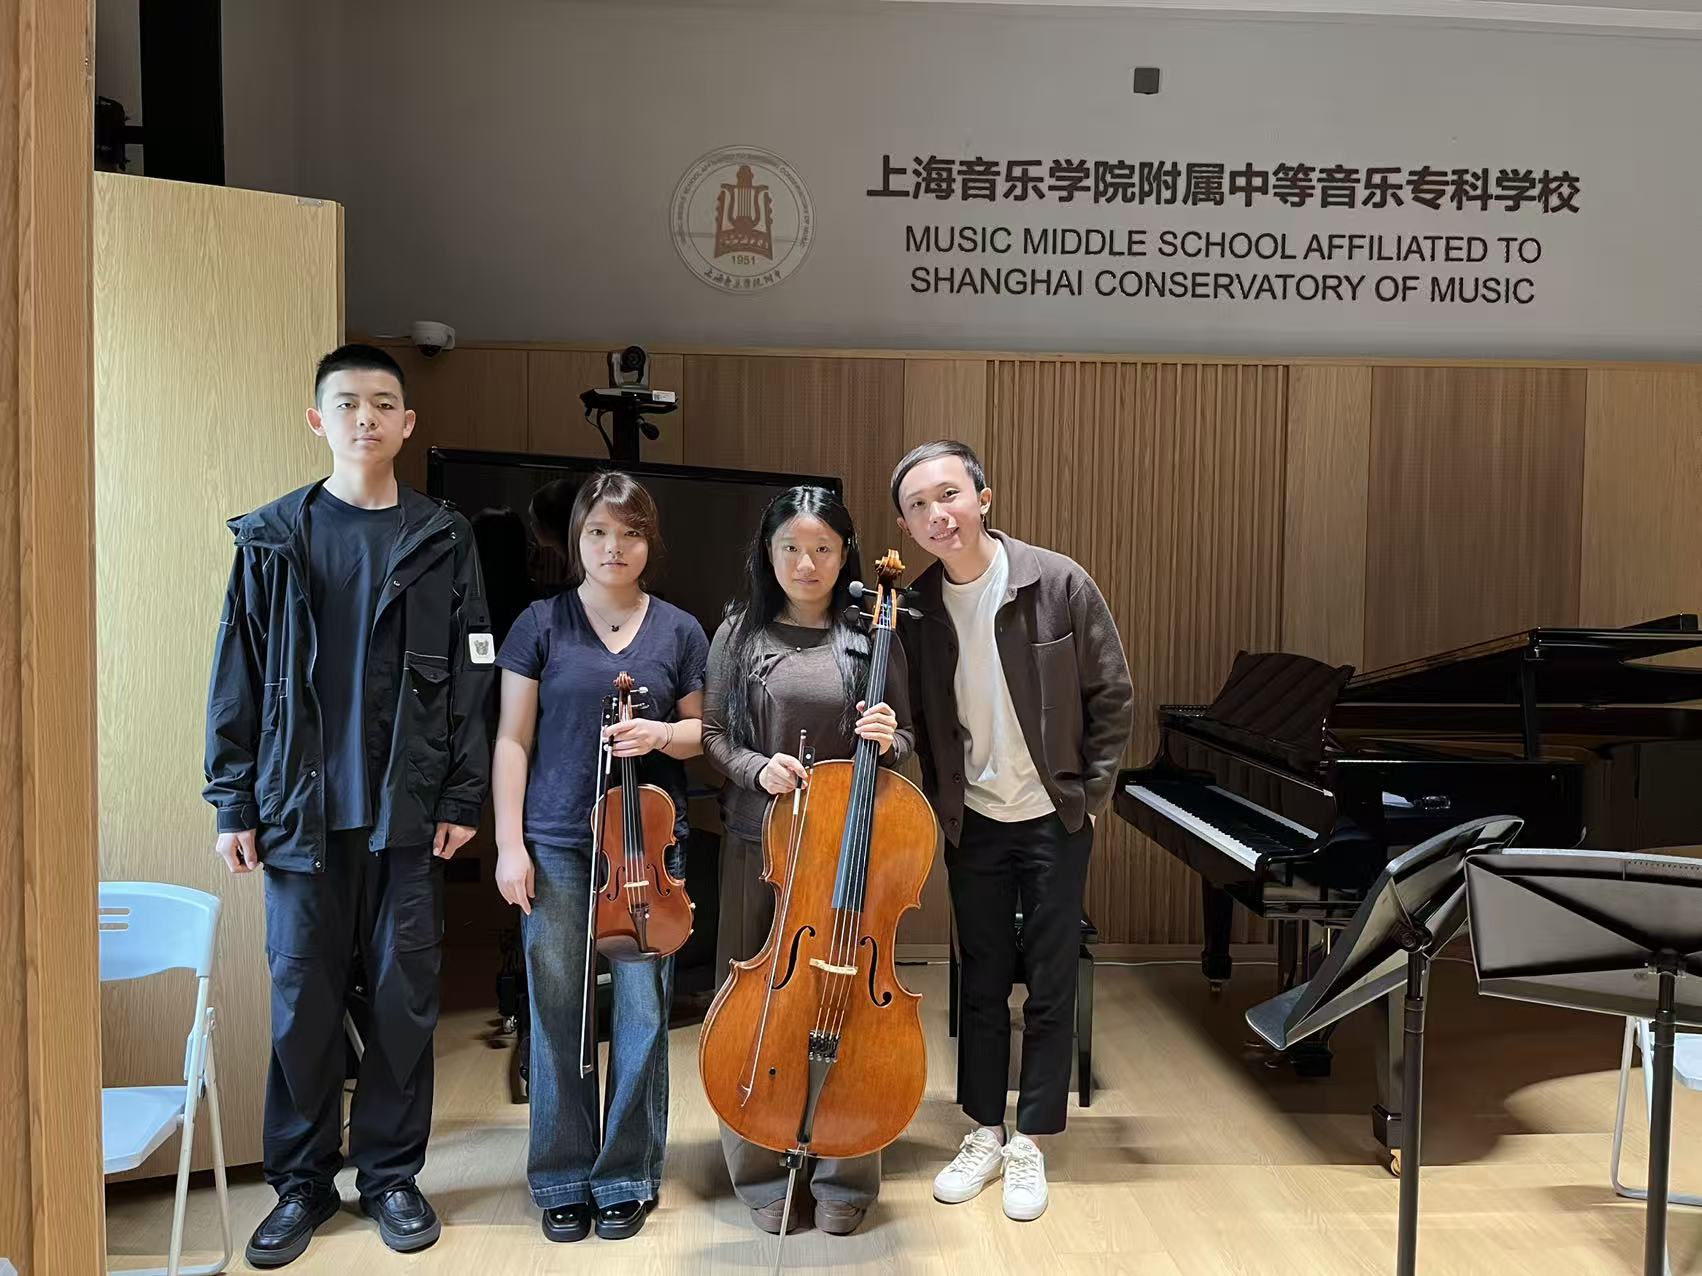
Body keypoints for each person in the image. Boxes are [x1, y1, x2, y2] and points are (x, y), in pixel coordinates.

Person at [203, 343, 493, 1266]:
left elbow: (473, 676)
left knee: (405, 1006)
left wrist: (464, 792)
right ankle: (300, 1185)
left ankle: (392, 1178)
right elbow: (238, 671)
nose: (364, 417)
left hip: (405, 820)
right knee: (302, 1007)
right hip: (297, 821)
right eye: (346, 403)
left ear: (407, 423)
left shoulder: (443, 537)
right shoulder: (272, 539)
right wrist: (232, 801)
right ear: (317, 419)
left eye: (382, 403)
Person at [891, 438, 1133, 1223]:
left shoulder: (1056, 582)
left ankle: (1032, 1138)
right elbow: (917, 717)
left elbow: (1113, 695)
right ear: (907, 526)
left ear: (983, 499)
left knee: (1053, 982)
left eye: (949, 495)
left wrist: (1089, 797)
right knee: (983, 980)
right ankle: (985, 1131)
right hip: (976, 822)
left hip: (1055, 817)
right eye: (919, 506)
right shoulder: (917, 609)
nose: (938, 514)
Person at [490, 472, 708, 1243]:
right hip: (555, 843)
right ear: (576, 538)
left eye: (631, 533)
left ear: (650, 541)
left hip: (647, 849)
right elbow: (512, 739)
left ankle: (625, 1174)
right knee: (556, 1010)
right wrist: (509, 844)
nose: (615, 547)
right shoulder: (539, 624)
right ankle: (560, 1174)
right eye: (599, 533)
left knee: (643, 1012)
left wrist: (660, 734)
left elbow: (704, 734)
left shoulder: (679, 630)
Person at [700, 486, 913, 1237]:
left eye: (823, 548)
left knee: (848, 1005)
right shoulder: (739, 632)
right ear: (768, 553)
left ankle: (846, 1164)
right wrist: (758, 768)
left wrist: (888, 737)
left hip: (848, 855)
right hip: (760, 844)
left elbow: (906, 740)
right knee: (752, 1007)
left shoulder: (873, 635)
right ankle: (759, 1165)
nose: (806, 563)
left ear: (845, 554)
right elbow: (715, 735)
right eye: (790, 547)